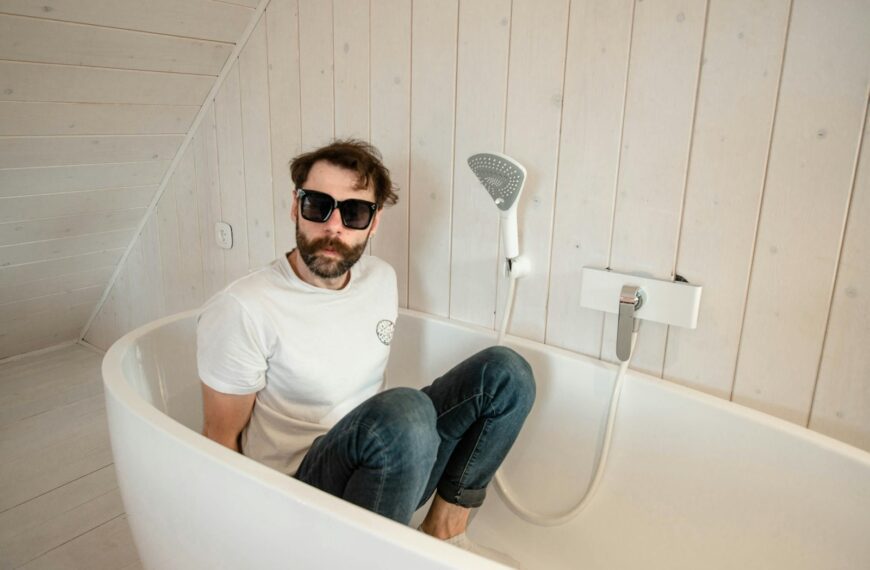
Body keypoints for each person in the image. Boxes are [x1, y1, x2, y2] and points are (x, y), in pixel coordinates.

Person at [196, 139, 535, 567]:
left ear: (373, 224)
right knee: (405, 411)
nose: (334, 227)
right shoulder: (244, 307)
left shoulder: (380, 279)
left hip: (387, 462)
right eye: (318, 205)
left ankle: (442, 535)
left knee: (508, 374)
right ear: (294, 207)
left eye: (354, 212)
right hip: (298, 498)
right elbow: (218, 444)